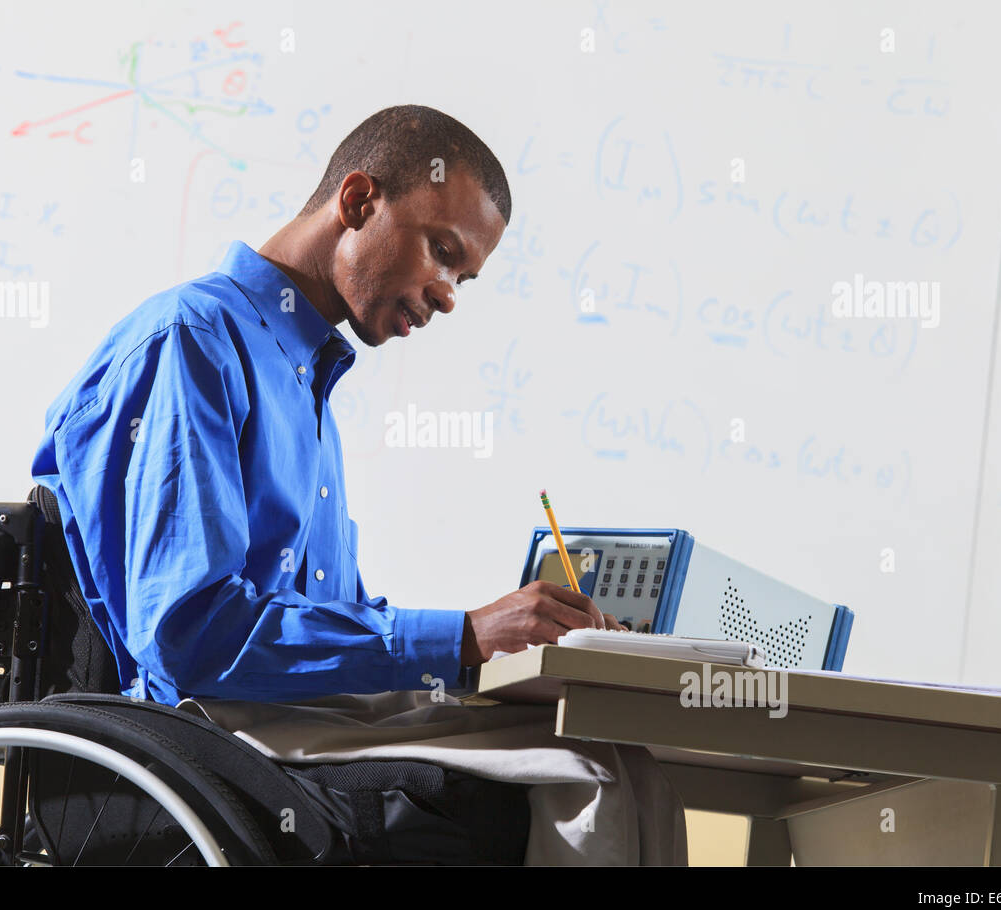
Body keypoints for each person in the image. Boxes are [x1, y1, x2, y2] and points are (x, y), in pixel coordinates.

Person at [32, 104, 625, 706]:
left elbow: (328, 627)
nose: (447, 297)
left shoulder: (306, 386)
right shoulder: (195, 341)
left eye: (463, 280)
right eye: (443, 252)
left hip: (299, 738)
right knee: (580, 766)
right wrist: (465, 636)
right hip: (211, 754)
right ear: (358, 202)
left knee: (575, 732)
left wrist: (496, 652)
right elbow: (192, 637)